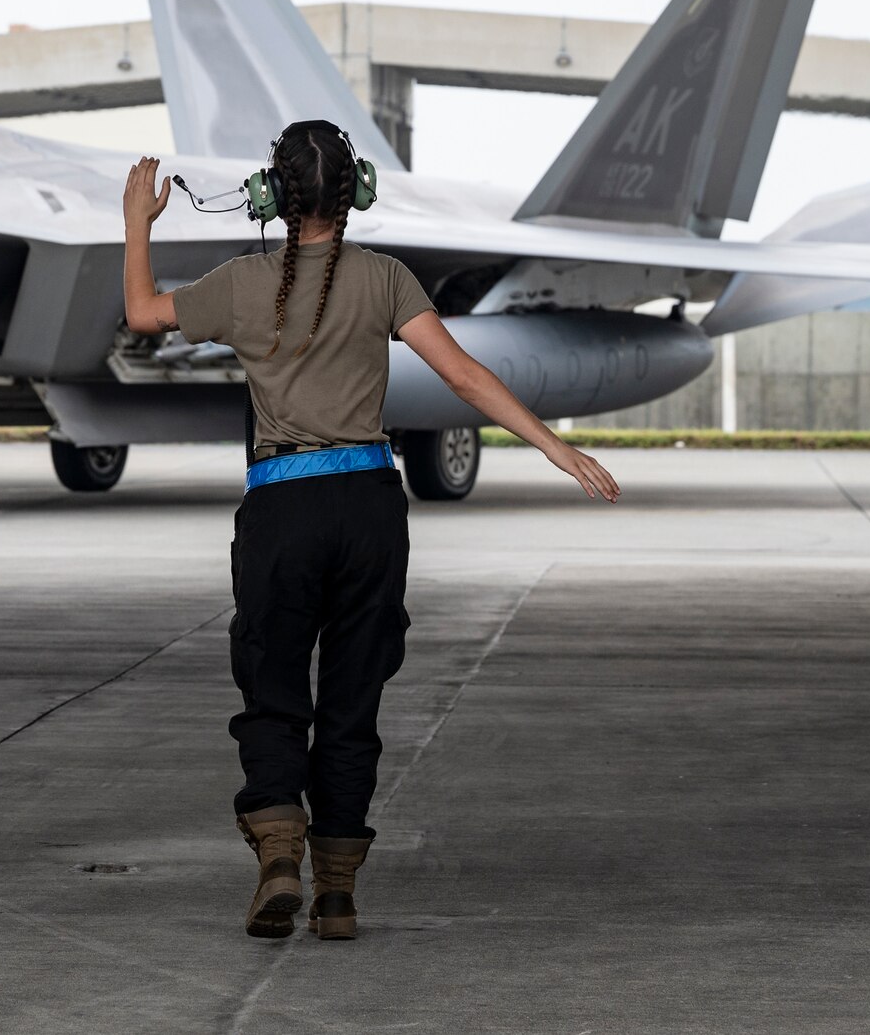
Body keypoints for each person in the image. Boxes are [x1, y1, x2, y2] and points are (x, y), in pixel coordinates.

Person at [121, 119, 620, 942]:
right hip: (369, 509)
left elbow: (142, 313)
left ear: (273, 196)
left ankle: (279, 849)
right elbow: (462, 373)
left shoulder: (241, 281)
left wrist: (141, 219)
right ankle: (338, 894)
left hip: (283, 508)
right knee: (353, 697)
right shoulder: (388, 277)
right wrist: (556, 447)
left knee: (274, 686)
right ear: (356, 193)